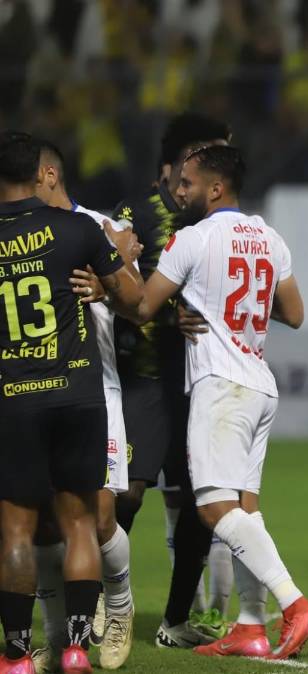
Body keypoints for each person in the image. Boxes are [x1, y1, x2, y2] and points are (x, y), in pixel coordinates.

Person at [124, 145, 308, 660]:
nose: (178, 190)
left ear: (215, 188)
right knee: (245, 510)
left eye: (187, 183)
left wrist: (117, 267)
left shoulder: (191, 239)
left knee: (213, 508)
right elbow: (295, 313)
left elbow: (143, 306)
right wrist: (235, 309)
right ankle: (251, 627)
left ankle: (295, 603)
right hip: (259, 383)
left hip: (221, 385)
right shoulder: (268, 236)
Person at [0, 131, 143, 674]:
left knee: (16, 529)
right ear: (41, 172)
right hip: (77, 394)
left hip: (13, 397)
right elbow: (135, 302)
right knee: (79, 521)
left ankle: (16, 655)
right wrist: (116, 271)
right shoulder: (79, 230)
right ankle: (77, 648)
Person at [110, 113, 235, 647]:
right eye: (208, 153)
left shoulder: (224, 225)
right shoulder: (134, 216)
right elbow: (108, 291)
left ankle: (176, 619)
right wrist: (166, 316)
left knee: (198, 502)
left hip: (199, 383)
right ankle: (102, 598)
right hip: (143, 377)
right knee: (127, 496)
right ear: (179, 163)